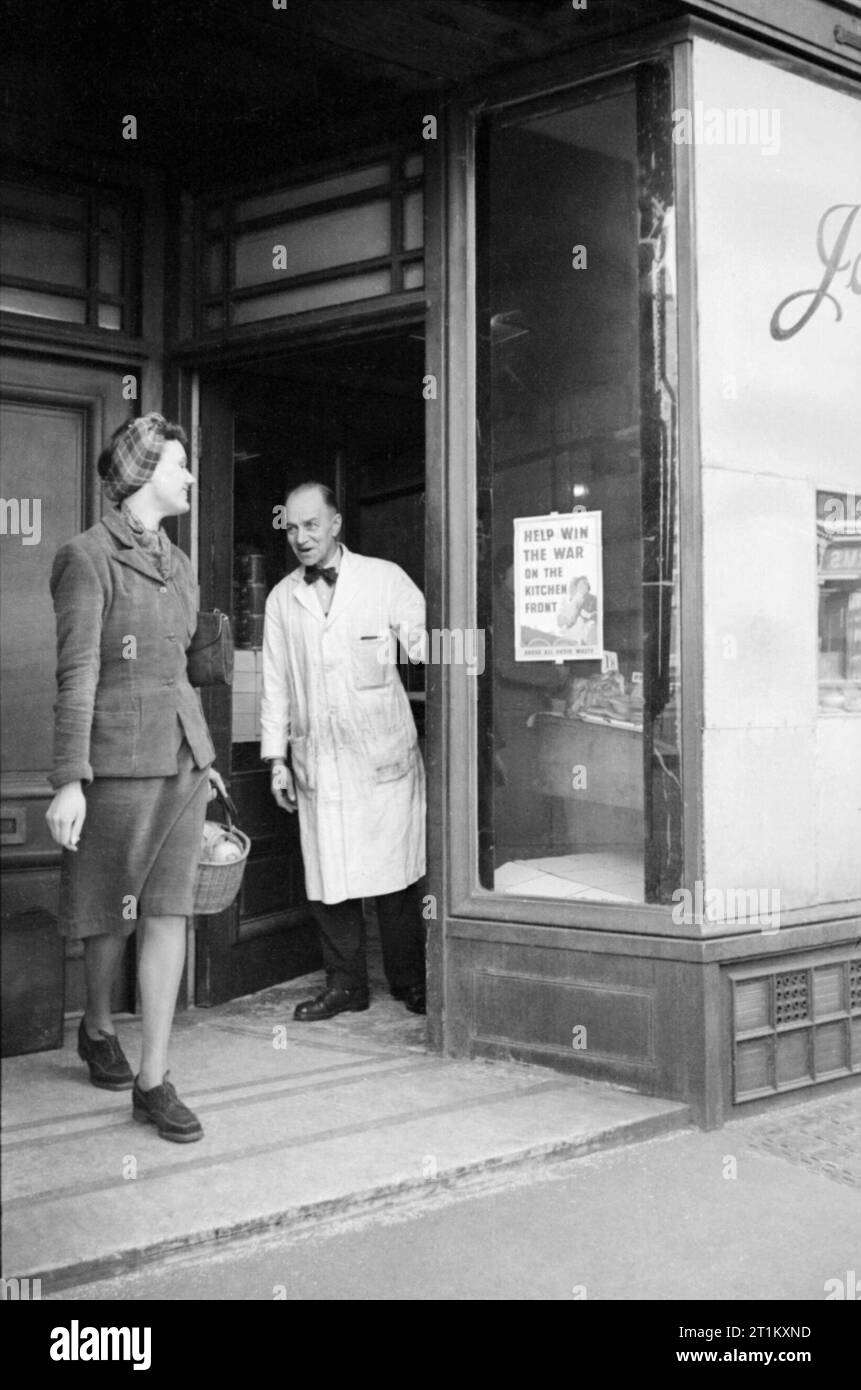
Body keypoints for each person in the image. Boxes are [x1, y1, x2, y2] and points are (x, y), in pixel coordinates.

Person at [45, 412, 226, 1143]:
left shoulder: (179, 562)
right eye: (181, 465)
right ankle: (95, 1025)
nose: (189, 477)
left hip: (178, 765)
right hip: (114, 766)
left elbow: (183, 671)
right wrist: (68, 779)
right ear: (146, 471)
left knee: (167, 913)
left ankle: (153, 1080)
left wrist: (207, 763)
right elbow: (77, 672)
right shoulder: (85, 558)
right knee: (107, 911)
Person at [261, 482, 427, 1019]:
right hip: (320, 758)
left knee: (396, 876)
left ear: (335, 524)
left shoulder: (384, 579)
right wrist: (276, 759)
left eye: (311, 525)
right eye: (291, 527)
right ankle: (346, 986)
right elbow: (275, 685)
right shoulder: (282, 598)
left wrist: (440, 647)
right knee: (329, 876)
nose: (301, 537)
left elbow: (426, 643)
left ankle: (411, 981)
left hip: (382, 754)